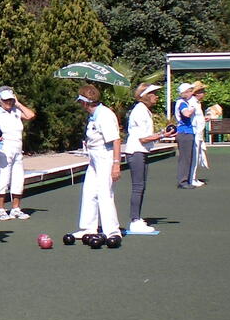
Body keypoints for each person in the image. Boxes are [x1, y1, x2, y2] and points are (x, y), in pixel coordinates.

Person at [72, 84, 122, 242]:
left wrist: (116, 164)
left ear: (86, 102)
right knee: (89, 191)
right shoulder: (94, 115)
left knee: (104, 193)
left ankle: (112, 231)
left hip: (105, 157)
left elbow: (116, 140)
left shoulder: (105, 115)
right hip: (94, 157)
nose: (80, 106)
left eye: (81, 102)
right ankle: (88, 227)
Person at [124, 83, 171, 234]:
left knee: (141, 186)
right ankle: (134, 220)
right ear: (146, 96)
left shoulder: (145, 111)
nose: (157, 96)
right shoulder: (139, 111)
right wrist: (163, 135)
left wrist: (162, 133)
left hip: (141, 151)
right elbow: (143, 138)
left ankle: (137, 218)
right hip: (136, 151)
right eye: (154, 93)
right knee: (138, 186)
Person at [0, 87, 36, 220]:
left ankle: (16, 208)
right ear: (0, 101)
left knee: (18, 178)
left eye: (10, 100)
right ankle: (1, 210)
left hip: (17, 149)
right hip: (4, 150)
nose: (8, 102)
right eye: (5, 100)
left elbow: (30, 115)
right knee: (3, 178)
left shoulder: (16, 111)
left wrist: (18, 103)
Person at [172, 83, 197, 189]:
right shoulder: (182, 103)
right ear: (185, 92)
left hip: (187, 132)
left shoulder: (184, 102)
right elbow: (186, 114)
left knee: (187, 157)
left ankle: (185, 180)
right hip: (185, 132)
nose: (192, 92)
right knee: (185, 158)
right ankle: (183, 181)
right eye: (190, 90)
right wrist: (193, 109)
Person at [189, 82, 208, 187]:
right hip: (195, 133)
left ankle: (194, 177)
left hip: (199, 133)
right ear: (197, 93)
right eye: (202, 91)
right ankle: (192, 178)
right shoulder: (192, 102)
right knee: (195, 156)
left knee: (197, 156)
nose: (204, 93)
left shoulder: (197, 103)